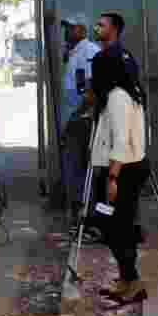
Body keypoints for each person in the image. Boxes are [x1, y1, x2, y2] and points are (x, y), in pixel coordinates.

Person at [88, 50, 149, 307]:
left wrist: (112, 178)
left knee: (116, 230)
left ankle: (133, 284)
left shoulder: (118, 97)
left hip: (122, 172)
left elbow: (122, 141)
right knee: (115, 227)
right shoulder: (122, 94)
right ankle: (126, 279)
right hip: (124, 169)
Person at [59, 14, 100, 237]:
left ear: (82, 30)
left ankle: (88, 220)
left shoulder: (89, 51)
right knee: (74, 170)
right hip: (74, 119)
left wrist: (78, 115)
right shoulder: (73, 52)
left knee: (81, 171)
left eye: (71, 28)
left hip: (82, 120)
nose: (67, 32)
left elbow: (92, 90)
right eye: (67, 28)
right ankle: (79, 219)